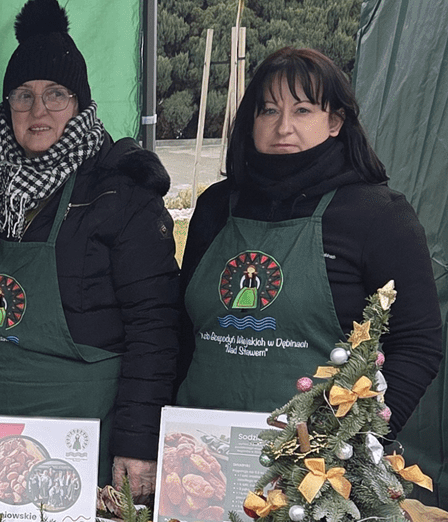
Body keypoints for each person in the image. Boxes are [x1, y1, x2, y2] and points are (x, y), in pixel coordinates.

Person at [0, 0, 179, 499]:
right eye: (23, 96)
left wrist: (138, 441)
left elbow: (155, 325)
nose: (38, 110)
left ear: (80, 102)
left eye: (56, 94)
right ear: (5, 104)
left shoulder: (120, 190)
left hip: (83, 430)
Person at [176, 47, 442, 439]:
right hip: (199, 447)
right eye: (268, 110)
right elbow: (181, 331)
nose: (283, 126)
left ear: (335, 121)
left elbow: (416, 343)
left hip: (313, 473)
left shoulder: (377, 215)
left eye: (302, 110)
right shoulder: (215, 207)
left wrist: (357, 442)